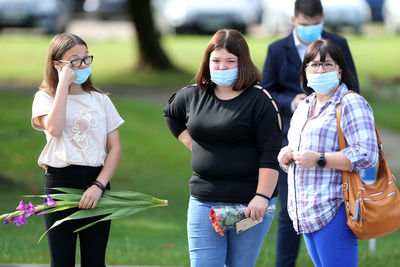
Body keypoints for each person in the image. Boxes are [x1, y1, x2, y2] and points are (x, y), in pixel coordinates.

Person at [163, 29, 282, 267]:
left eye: (230, 61)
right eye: (215, 61)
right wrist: (192, 144)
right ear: (207, 62)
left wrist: (261, 196)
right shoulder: (193, 95)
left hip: (250, 206)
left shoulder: (260, 101)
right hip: (204, 200)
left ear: (243, 63)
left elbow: (271, 153)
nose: (222, 67)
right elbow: (170, 114)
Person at [260, 1, 359, 266]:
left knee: (333, 219)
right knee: (289, 214)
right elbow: (266, 93)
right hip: (292, 141)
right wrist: (291, 102)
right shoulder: (277, 49)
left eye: (315, 24)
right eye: (304, 24)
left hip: (332, 148)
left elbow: (353, 87)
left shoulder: (338, 46)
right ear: (294, 20)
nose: (320, 70)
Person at [278, 39, 378, 266]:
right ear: (305, 71)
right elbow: (297, 147)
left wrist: (320, 159)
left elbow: (367, 154)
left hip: (334, 207)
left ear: (339, 71)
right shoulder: (304, 106)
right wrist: (286, 155)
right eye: (313, 65)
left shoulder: (351, 102)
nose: (320, 69)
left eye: (327, 64)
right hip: (306, 210)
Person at [31, 33, 124, 267]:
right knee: (61, 261)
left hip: (97, 183)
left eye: (86, 58)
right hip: (60, 181)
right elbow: (54, 128)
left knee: (95, 261)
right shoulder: (45, 98)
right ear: (57, 64)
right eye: (74, 60)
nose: (82, 65)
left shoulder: (101, 100)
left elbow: (115, 149)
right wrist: (63, 85)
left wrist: (99, 186)